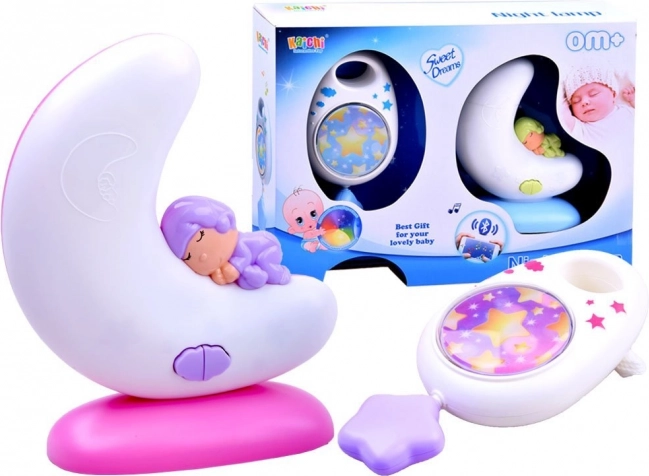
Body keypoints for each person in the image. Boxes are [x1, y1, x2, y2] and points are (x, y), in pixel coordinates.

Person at [161, 196, 290, 290]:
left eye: (201, 236)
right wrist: (221, 276)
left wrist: (235, 267)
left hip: (268, 247)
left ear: (225, 222)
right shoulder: (222, 263)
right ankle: (257, 277)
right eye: (189, 257)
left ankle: (281, 275)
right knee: (245, 281)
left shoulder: (240, 243)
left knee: (266, 264)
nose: (203, 256)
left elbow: (244, 255)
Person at [560, 65, 635, 146]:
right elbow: (561, 110)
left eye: (593, 94)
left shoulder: (627, 111)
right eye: (576, 101)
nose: (584, 102)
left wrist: (633, 100)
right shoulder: (582, 129)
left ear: (613, 94)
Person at [282, 187, 326, 252]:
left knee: (321, 243)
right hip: (307, 242)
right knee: (306, 244)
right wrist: (319, 232)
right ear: (292, 229)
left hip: (317, 240)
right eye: (300, 221)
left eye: (313, 214)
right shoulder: (307, 233)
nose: (309, 222)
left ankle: (319, 246)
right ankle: (311, 246)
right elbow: (310, 235)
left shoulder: (317, 226)